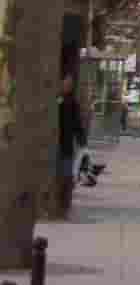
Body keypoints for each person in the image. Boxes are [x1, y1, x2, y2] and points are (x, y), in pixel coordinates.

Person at [56, 74, 88, 217]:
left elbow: (77, 122)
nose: (68, 86)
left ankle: (64, 205)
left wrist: (81, 139)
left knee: (66, 174)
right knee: (62, 173)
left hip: (66, 143)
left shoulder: (72, 102)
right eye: (66, 82)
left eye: (70, 84)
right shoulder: (56, 99)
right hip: (57, 143)